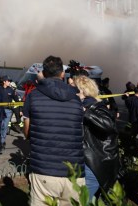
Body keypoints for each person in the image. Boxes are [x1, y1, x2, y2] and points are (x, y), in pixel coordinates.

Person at [23, 56, 85, 205]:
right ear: (62, 74)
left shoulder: (33, 96)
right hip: (74, 172)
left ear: (43, 73)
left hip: (44, 170)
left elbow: (27, 132)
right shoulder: (76, 98)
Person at [75, 75, 120, 200]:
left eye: (75, 90)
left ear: (83, 91)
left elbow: (108, 125)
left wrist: (86, 113)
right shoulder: (83, 105)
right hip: (87, 158)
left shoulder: (96, 107)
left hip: (96, 160)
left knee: (83, 198)